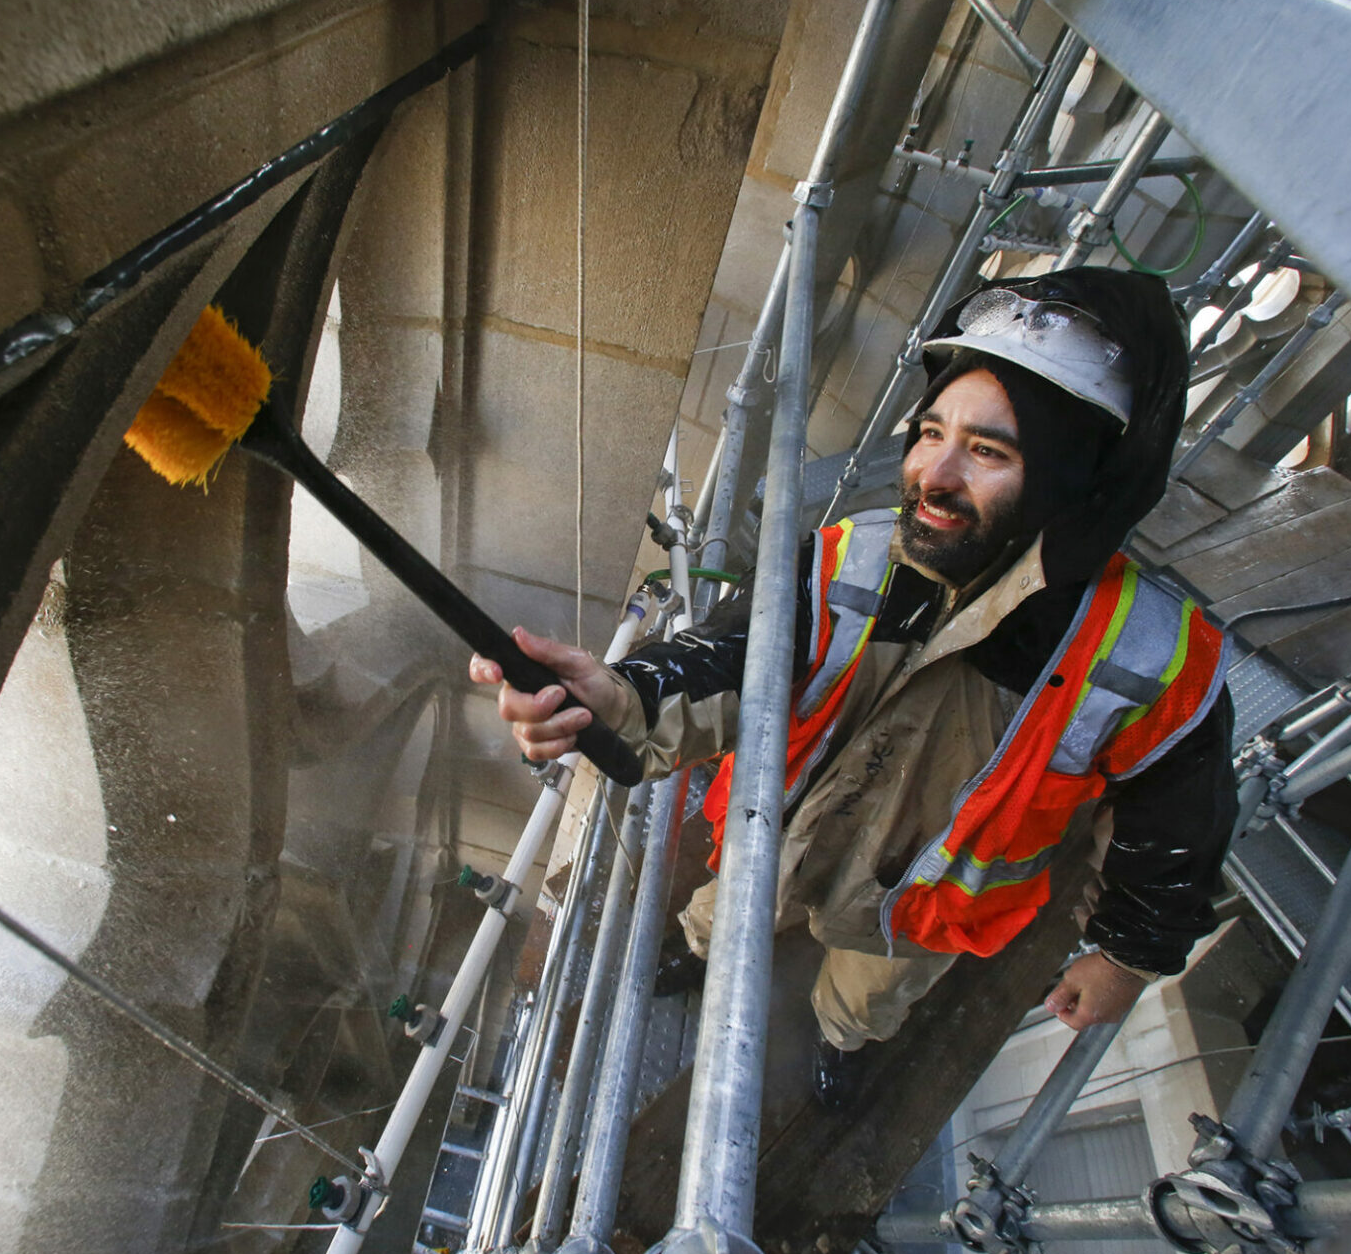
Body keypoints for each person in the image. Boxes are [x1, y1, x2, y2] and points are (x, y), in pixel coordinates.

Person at [468, 266, 1235, 1108]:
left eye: (987, 451)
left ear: (1071, 479)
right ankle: (696, 950)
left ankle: (839, 1038)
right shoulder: (853, 556)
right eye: (930, 431)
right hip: (776, 845)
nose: (931, 476)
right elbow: (735, 658)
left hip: (914, 916)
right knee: (722, 918)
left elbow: (1171, 827)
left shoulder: (1150, 653)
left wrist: (1122, 954)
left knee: (864, 998)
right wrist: (623, 694)